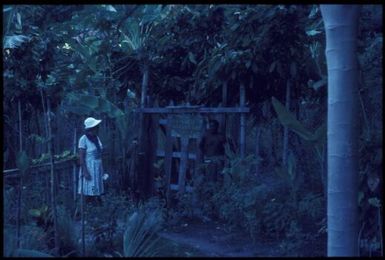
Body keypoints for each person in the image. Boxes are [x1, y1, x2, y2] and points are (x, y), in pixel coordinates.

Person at [78, 117, 105, 206]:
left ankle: (96, 205)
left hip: (97, 167)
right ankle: (87, 206)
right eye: (95, 127)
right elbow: (81, 157)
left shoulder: (96, 138)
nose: (97, 129)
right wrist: (85, 171)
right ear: (91, 128)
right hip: (89, 167)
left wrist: (102, 169)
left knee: (96, 188)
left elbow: (99, 152)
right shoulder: (83, 139)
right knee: (90, 188)